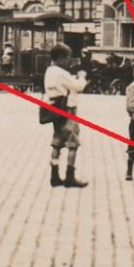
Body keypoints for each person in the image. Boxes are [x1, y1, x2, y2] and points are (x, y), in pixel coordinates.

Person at [43, 43, 88, 189]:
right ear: (61, 57)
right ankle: (70, 176)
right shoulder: (61, 73)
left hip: (55, 112)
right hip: (67, 110)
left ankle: (54, 175)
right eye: (68, 58)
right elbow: (78, 87)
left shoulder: (49, 71)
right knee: (72, 143)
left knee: (57, 142)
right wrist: (82, 77)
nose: (69, 61)